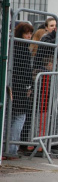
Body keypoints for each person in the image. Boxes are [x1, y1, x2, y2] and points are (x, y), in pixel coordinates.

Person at [4, 22, 33, 159]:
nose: (29, 36)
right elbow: (27, 72)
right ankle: (12, 150)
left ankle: (5, 148)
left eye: (30, 33)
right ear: (20, 34)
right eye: (26, 33)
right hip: (20, 88)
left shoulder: (10, 48)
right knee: (19, 117)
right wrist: (29, 86)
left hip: (10, 86)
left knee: (8, 118)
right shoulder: (23, 50)